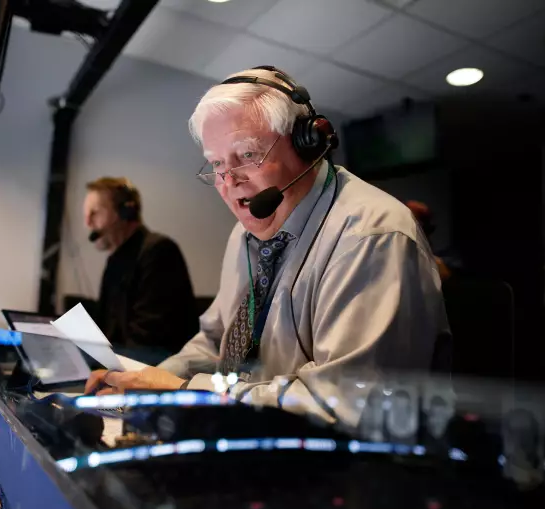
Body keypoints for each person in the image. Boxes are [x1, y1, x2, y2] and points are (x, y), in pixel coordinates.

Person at [85, 66, 450, 428]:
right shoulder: (244, 236)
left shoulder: (371, 237)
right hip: (258, 438)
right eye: (216, 164)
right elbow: (215, 342)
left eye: (247, 155)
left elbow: (345, 407)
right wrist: (143, 384)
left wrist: (187, 392)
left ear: (307, 144)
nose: (229, 181)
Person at [83, 177, 199, 360]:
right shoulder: (115, 261)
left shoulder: (159, 251)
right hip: (127, 367)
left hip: (156, 373)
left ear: (125, 212)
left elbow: (148, 340)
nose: (88, 223)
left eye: (95, 213)